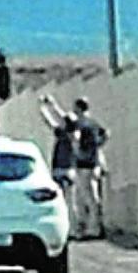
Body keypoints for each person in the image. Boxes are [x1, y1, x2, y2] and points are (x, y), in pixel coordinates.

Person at [38, 95, 78, 229]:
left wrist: (43, 107)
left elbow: (50, 121)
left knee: (61, 201)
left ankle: (68, 227)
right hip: (70, 169)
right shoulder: (74, 134)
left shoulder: (63, 134)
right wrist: (53, 104)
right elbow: (62, 118)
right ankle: (74, 227)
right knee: (71, 200)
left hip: (61, 169)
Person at [72, 97, 108, 239]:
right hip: (94, 163)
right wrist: (96, 148)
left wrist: (79, 153)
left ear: (79, 108)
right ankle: (95, 226)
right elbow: (105, 134)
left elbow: (76, 139)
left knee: (86, 197)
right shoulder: (94, 123)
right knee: (93, 196)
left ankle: (92, 228)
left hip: (84, 165)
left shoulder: (80, 124)